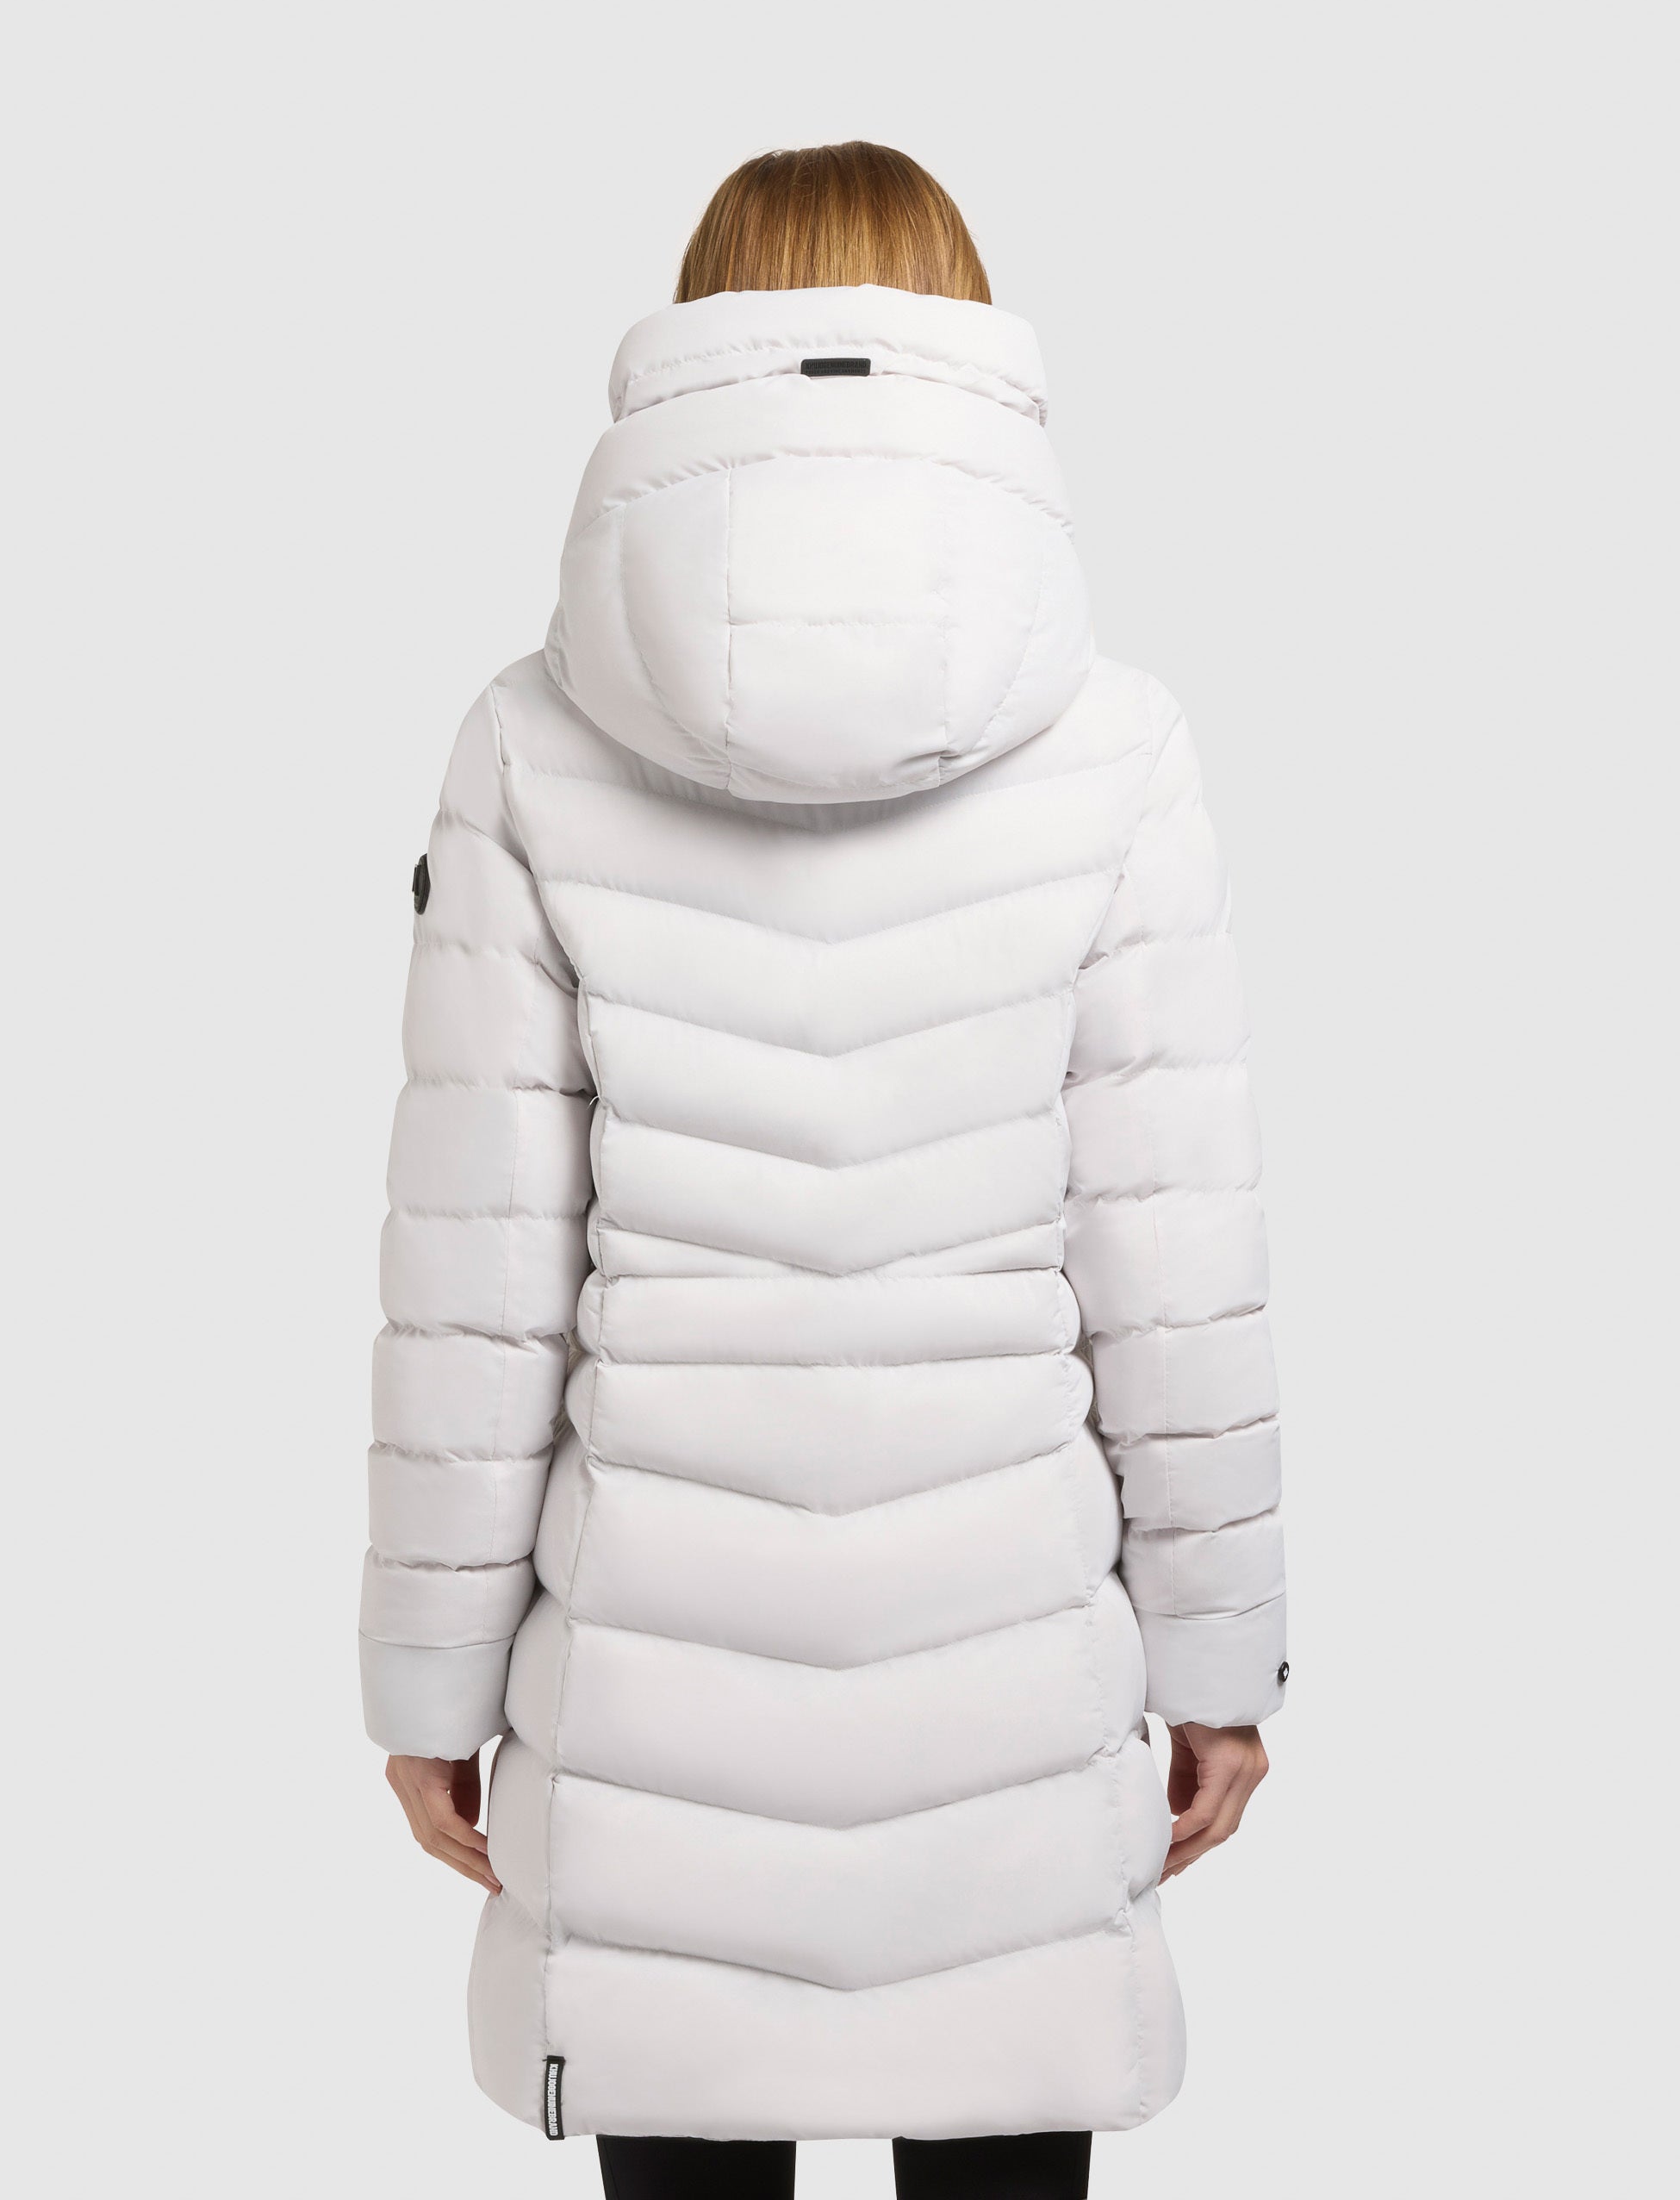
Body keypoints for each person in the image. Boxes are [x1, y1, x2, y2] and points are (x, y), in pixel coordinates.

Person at [364, 141, 1285, 2200]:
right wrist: (1221, 1658)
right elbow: (1176, 1265)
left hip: (655, 1699)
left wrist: (428, 1673)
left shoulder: (528, 741)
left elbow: (477, 1284)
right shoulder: (1117, 744)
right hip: (1008, 1680)